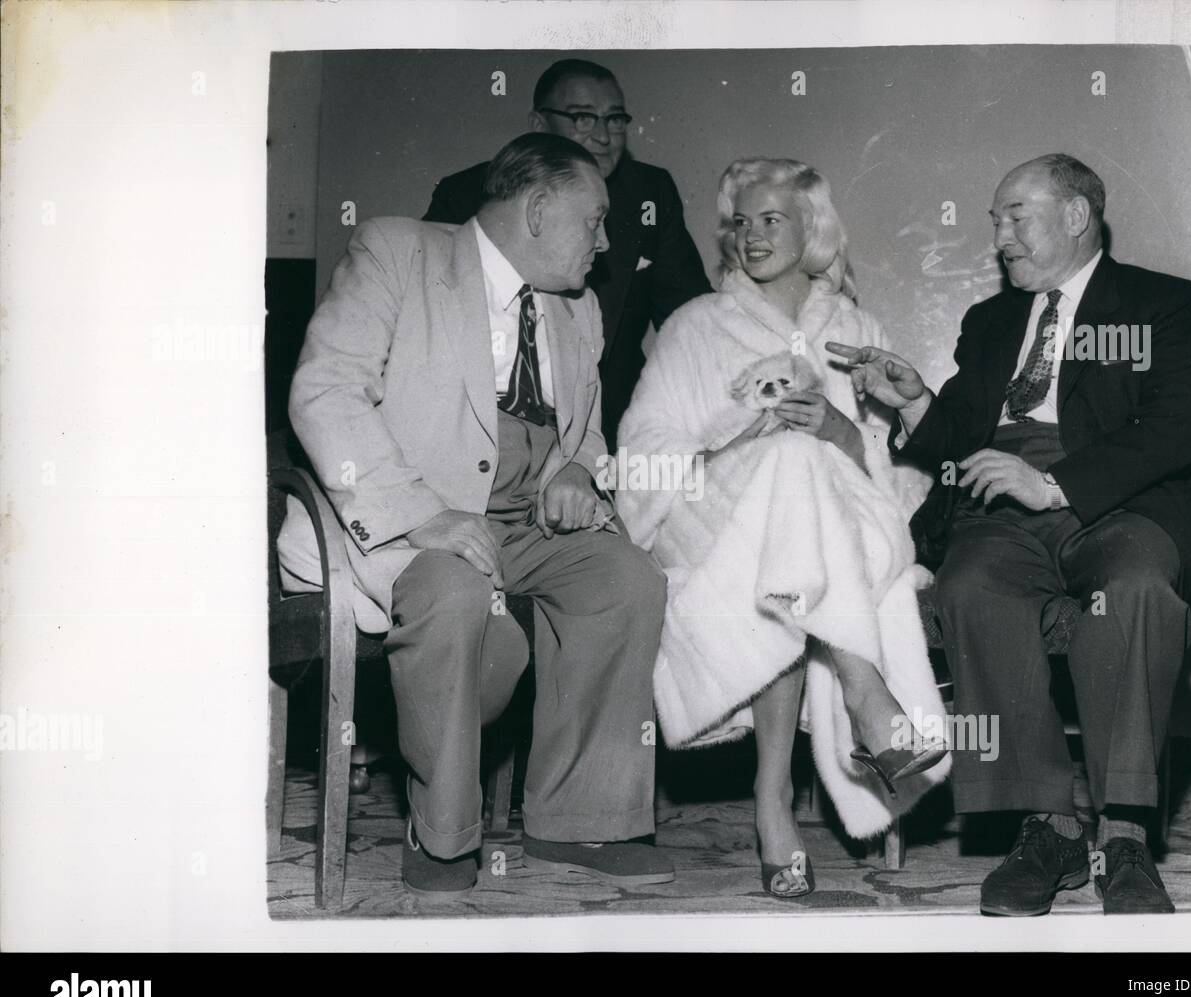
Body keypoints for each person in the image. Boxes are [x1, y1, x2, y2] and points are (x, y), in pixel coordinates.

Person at [278, 133, 672, 894]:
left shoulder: (579, 311)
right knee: (455, 594)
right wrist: (420, 514)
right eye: (595, 220)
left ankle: (581, 817)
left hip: (527, 520)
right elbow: (325, 389)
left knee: (627, 578)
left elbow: (587, 437)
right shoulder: (400, 253)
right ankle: (442, 836)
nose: (605, 241)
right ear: (538, 206)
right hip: (416, 510)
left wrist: (577, 474)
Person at [831, 154, 1191, 915]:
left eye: (1016, 215)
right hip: (1000, 513)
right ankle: (1049, 825)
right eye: (994, 221)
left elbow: (1177, 424)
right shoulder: (991, 321)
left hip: (1121, 504)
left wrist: (1053, 483)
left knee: (1137, 588)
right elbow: (959, 438)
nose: (1000, 235)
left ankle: (1127, 833)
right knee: (972, 587)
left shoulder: (1158, 302)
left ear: (1076, 216)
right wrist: (913, 403)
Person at [617, 158, 948, 899]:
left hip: (831, 527)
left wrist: (837, 427)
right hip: (711, 514)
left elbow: (900, 471)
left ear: (815, 231)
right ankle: (869, 700)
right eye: (741, 221)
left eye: (772, 220)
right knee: (785, 466)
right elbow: (640, 458)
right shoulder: (695, 325)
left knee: (799, 500)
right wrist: (739, 444)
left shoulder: (856, 330)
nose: (751, 235)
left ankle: (771, 801)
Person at [423, 58, 712, 447]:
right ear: (540, 125)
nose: (603, 136)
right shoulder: (472, 193)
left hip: (614, 423)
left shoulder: (650, 193)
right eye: (583, 118)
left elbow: (691, 314)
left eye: (614, 119)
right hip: (487, 432)